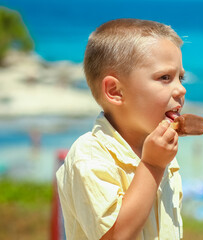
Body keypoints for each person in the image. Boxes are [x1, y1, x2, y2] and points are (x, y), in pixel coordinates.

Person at [56, 18, 187, 240]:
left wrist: (157, 162)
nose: (181, 89)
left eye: (180, 78)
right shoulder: (89, 155)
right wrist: (152, 166)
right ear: (115, 91)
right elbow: (116, 236)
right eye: (165, 77)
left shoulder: (162, 155)